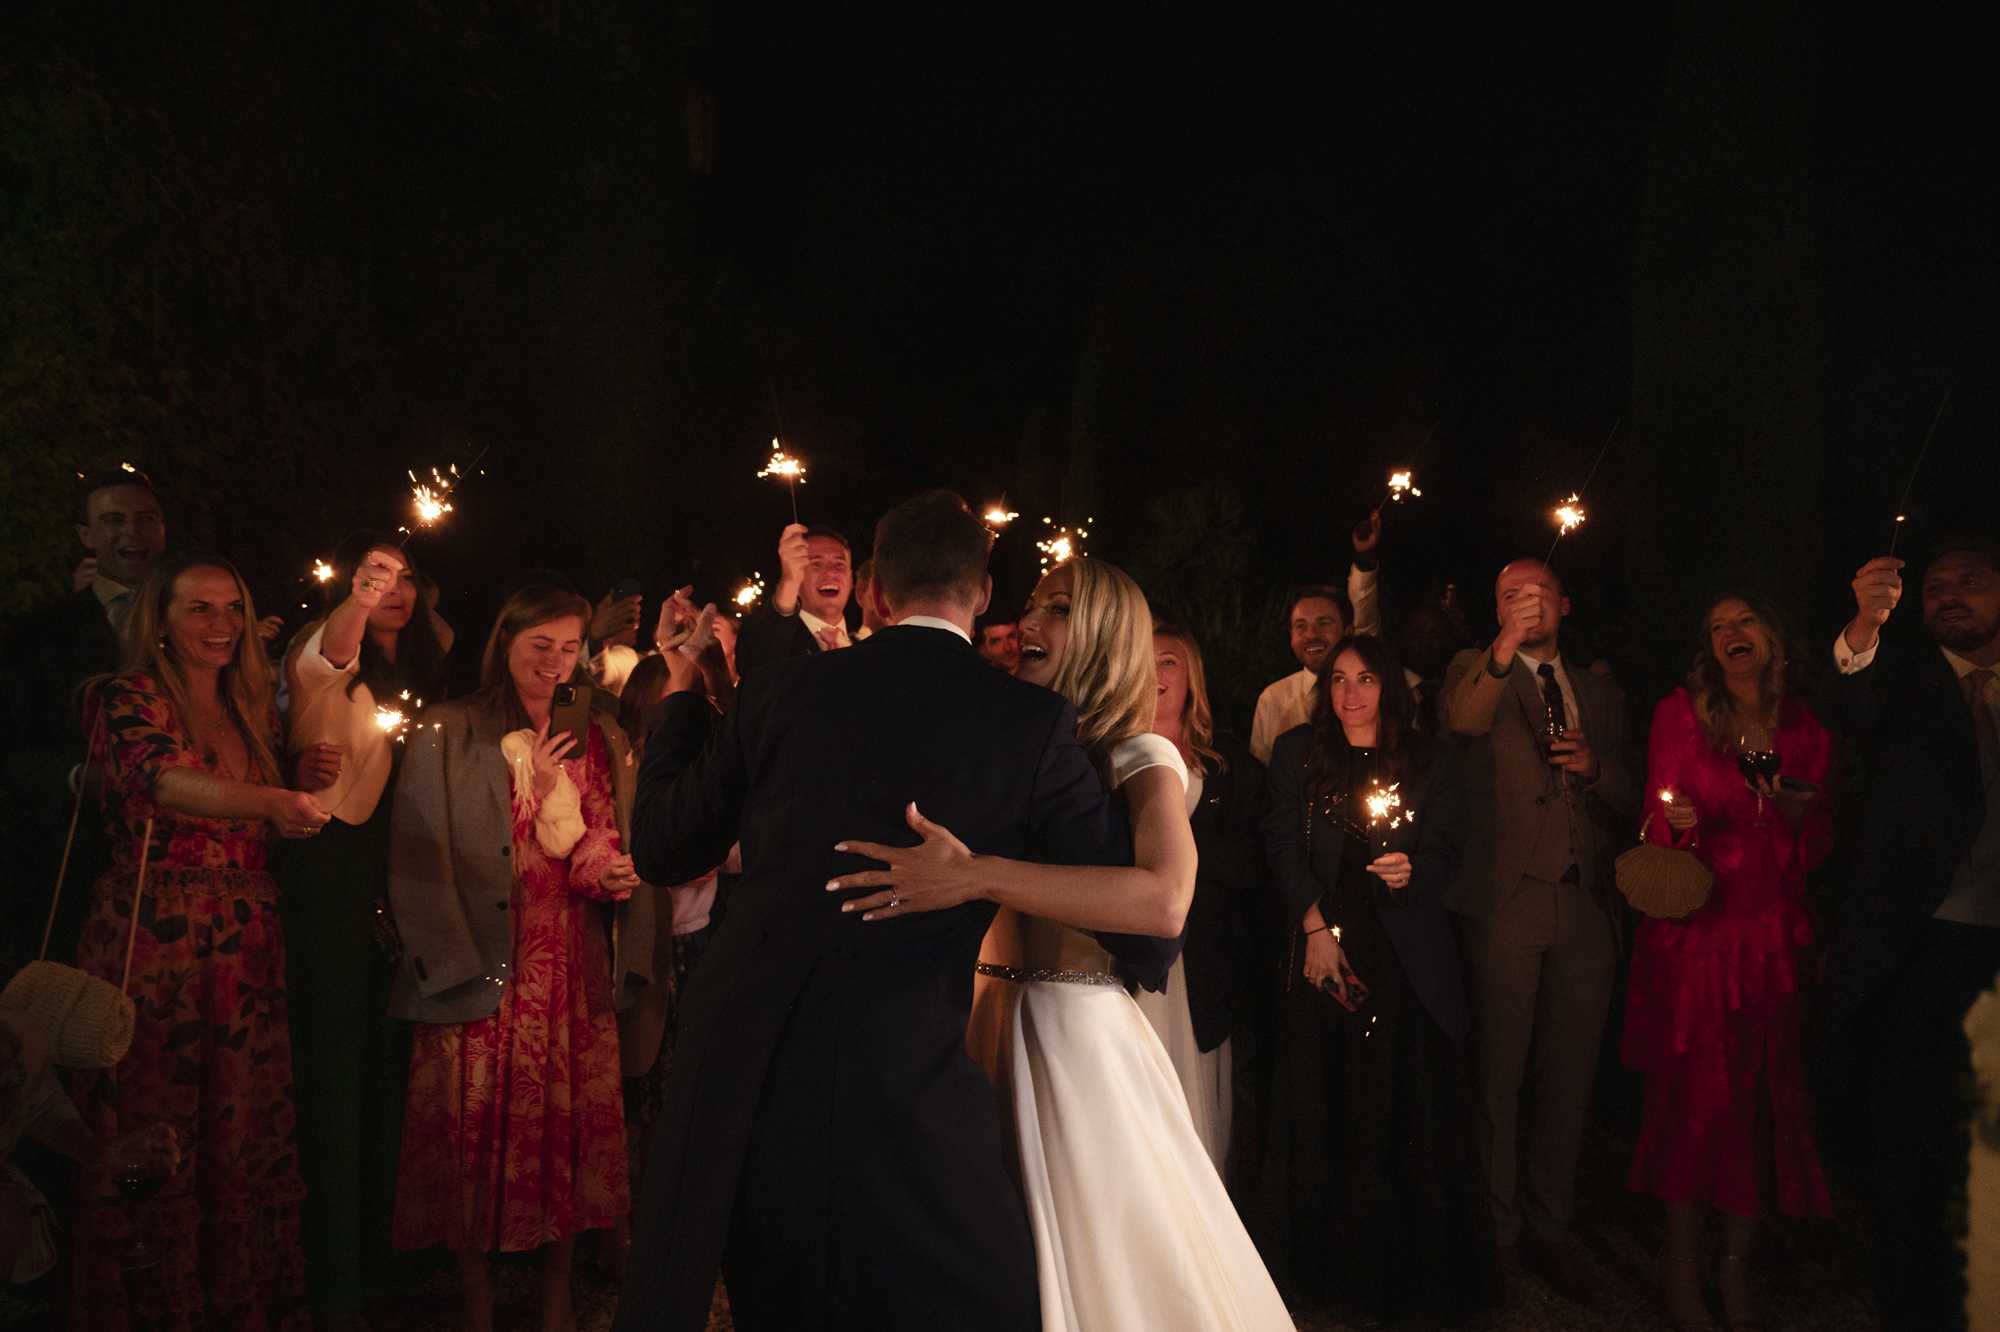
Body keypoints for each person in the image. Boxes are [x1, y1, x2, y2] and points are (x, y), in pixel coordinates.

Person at [615, 493, 1182, 1332]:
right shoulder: (1030, 725)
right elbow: (1141, 923)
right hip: (912, 1078)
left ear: (875, 594)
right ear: (983, 593)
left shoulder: (781, 691)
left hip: (756, 1062)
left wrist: (686, 694)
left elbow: (662, 845)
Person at [835, 552, 1291, 1332]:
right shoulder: (1006, 740)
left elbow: (1163, 901)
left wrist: (975, 877)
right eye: (1034, 605)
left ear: (1108, 635)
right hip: (977, 1017)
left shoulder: (1141, 754)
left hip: (1072, 1035)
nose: (1031, 623)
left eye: (1059, 609)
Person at [66, 552, 329, 1328]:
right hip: (157, 942)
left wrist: (296, 771)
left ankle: (238, 1304)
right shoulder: (122, 697)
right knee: (158, 1117)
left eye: (232, 608)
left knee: (242, 1127)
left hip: (245, 945)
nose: (221, 625)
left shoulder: (255, 707)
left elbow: (264, 819)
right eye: (199, 609)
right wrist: (275, 796)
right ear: (161, 618)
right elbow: (162, 780)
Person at [387, 582, 653, 1332]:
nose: (555, 662)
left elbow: (598, 832)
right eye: (541, 646)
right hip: (481, 961)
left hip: (570, 963)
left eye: (570, 649)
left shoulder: (597, 733)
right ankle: (475, 1293)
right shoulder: (452, 726)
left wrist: (612, 870)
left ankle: (557, 1290)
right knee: (475, 1132)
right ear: (505, 642)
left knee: (566, 1134)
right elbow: (420, 851)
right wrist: (447, 958)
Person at [1262, 634, 1491, 1322]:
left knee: (1395, 1101)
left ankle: (1395, 1272)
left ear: (1389, 686)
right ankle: (1322, 1268)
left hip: (1401, 951)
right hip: (1324, 942)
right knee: (1322, 1094)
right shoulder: (1298, 753)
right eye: (1337, 680)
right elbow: (1279, 841)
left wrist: (1413, 871)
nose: (1349, 693)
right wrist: (1314, 932)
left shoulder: (1431, 759)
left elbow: (1449, 847)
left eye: (1364, 678)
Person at [1624, 593, 1834, 1329]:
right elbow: (1657, 825)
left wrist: (1802, 819)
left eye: (1744, 620)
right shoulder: (1680, 713)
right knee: (1693, 1103)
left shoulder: (1802, 723)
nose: (1730, 633)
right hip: (1702, 938)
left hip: (1772, 939)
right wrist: (1677, 823)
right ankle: (1681, 1271)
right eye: (1716, 626)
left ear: (1774, 636)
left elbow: (1818, 843)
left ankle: (1736, 1268)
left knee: (1758, 1103)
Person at [1442, 557, 1634, 1307]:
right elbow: (1463, 719)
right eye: (1509, 597)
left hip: (1586, 899)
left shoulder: (1603, 689)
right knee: (1500, 1071)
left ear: (1566, 602)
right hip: (1506, 897)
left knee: (1570, 1072)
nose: (1525, 605)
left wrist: (1598, 769)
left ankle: (1553, 1228)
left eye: (1537, 594)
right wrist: (1498, 647)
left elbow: (1632, 786)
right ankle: (1498, 1232)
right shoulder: (1475, 668)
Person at [1818, 538, 2000, 1332]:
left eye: (1970, 583)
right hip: (1923, 942)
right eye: (1934, 587)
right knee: (1914, 1134)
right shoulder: (1905, 680)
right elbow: (1849, 700)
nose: (1948, 595)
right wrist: (1865, 624)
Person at [280, 533, 450, 1319]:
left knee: (392, 1066)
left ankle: (393, 1254)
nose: (394, 591)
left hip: (400, 867)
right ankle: (334, 1271)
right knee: (337, 1065)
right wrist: (360, 596)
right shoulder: (326, 662)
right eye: (377, 578)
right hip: (334, 869)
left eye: (407, 579)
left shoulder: (424, 670)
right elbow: (332, 656)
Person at [2, 469, 168, 971]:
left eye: (146, 520)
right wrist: (77, 777)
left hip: (176, 854)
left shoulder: (203, 620)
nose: (131, 534)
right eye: (113, 520)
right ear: (87, 536)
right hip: (73, 854)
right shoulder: (40, 633)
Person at [1136, 621, 1263, 1179]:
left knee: (1195, 1090)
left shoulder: (1225, 766)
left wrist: (1178, 869)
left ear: (1192, 678)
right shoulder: (1110, 753)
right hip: (1132, 953)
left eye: (1169, 662)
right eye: (1146, 660)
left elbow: (1249, 859)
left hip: (1205, 955)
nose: (1157, 675)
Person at [733, 522, 855, 681]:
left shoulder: (868, 646)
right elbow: (758, 666)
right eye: (816, 564)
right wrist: (789, 582)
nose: (830, 573)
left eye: (839, 565)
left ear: (851, 579)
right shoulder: (775, 643)